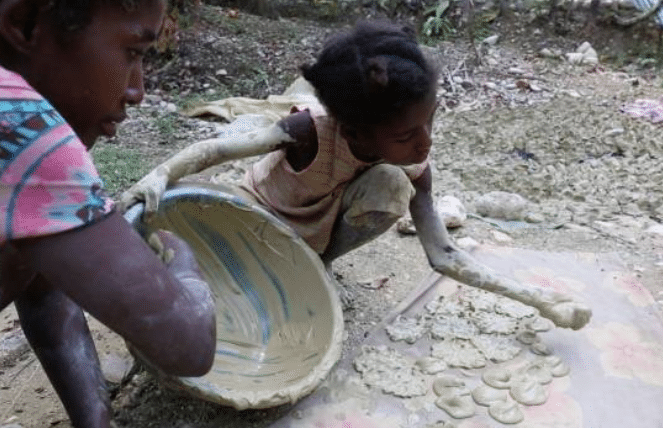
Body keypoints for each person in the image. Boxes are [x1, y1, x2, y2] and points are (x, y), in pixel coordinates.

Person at [121, 21, 591, 331]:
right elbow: (218, 149)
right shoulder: (308, 132)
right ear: (353, 128)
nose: (425, 142)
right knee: (209, 285)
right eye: (408, 134)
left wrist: (539, 299)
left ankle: (319, 267)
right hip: (255, 224)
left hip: (310, 242)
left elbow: (444, 256)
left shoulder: (411, 165)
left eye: (431, 121)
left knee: (391, 187)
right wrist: (158, 176)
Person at [0, 0, 217, 427]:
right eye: (133, 52)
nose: (138, 90)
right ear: (24, 24)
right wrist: (185, 266)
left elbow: (43, 288)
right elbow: (187, 344)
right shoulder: (16, 121)